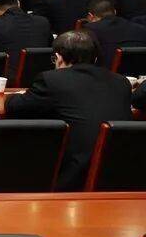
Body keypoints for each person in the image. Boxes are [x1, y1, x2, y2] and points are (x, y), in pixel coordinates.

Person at [8, 31, 132, 192]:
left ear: (58, 58)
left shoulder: (52, 80)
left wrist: (14, 96)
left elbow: (15, 108)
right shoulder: (121, 82)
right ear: (95, 58)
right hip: (123, 175)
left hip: (73, 178)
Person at [82, 0, 146, 70]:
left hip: (104, 75)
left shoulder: (90, 31)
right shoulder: (141, 29)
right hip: (140, 75)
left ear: (90, 16)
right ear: (115, 12)